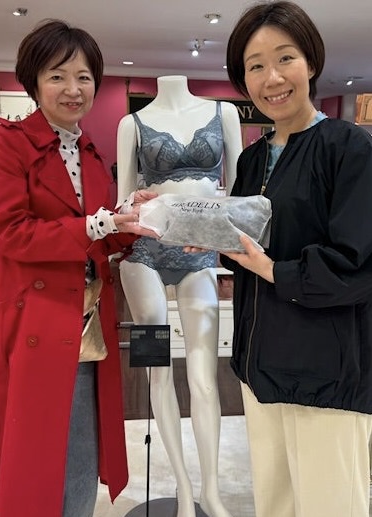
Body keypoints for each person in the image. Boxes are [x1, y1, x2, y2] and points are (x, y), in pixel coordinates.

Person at [0, 19, 156, 517]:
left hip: (83, 318)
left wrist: (133, 219)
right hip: (29, 317)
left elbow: (96, 240)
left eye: (84, 77)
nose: (73, 89)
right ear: (33, 82)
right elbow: (12, 234)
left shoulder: (89, 151)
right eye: (57, 76)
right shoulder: (7, 144)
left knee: (81, 444)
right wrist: (99, 224)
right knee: (33, 452)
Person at [210, 2, 372, 516]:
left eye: (285, 58)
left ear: (310, 62)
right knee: (275, 504)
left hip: (327, 374)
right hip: (261, 368)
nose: (272, 78)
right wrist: (208, 235)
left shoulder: (349, 148)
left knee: (328, 506)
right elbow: (250, 243)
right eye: (255, 65)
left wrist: (276, 270)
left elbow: (371, 260)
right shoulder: (254, 158)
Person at [116, 75, 242, 517]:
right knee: (158, 372)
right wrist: (126, 207)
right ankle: (184, 490)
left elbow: (238, 195)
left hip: (200, 254)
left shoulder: (225, 113)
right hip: (144, 257)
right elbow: (123, 202)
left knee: (205, 379)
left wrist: (226, 241)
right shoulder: (132, 123)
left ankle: (212, 492)